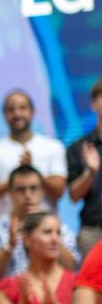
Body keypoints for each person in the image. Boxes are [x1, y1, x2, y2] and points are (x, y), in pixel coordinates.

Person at [0, 165, 78, 286]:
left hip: (52, 298)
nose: (28, 195)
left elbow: (71, 268)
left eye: (34, 188)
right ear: (10, 193)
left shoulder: (60, 229)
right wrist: (9, 246)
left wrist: (51, 235)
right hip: (7, 298)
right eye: (21, 189)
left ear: (42, 191)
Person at [0, 90, 67, 222]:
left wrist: (34, 171)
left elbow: (59, 191)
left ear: (32, 111)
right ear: (4, 115)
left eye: (22, 108)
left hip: (45, 231)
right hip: (3, 230)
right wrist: (16, 177)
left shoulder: (53, 147)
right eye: (11, 110)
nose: (17, 114)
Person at [68, 80, 102, 257]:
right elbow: (73, 195)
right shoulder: (79, 148)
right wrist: (91, 173)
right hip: (93, 232)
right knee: (92, 285)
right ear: (94, 104)